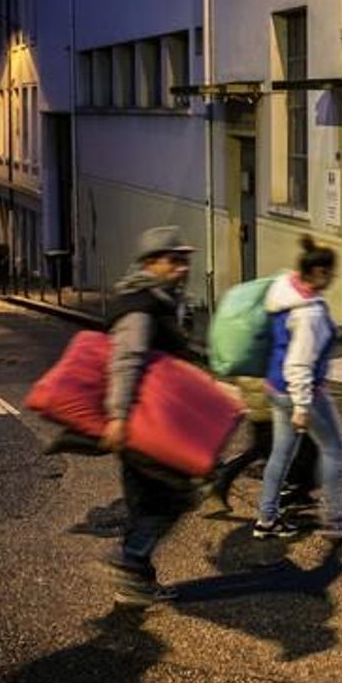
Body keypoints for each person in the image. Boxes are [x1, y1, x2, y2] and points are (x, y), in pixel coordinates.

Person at [253, 236, 342, 540]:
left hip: (275, 385)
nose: (333, 278)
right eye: (331, 273)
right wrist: (302, 406)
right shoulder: (309, 314)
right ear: (319, 273)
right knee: (334, 448)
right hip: (301, 392)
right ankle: (337, 520)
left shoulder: (285, 286)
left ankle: (266, 518)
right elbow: (300, 363)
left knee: (281, 455)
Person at [100, 226, 199, 606]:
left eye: (184, 260)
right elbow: (127, 361)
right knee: (174, 496)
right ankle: (129, 560)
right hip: (144, 425)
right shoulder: (140, 308)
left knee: (148, 501)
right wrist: (119, 416)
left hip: (155, 420)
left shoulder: (161, 300)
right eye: (173, 261)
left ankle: (136, 581)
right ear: (149, 264)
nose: (181, 268)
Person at [204, 374, 319, 515]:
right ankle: (221, 483)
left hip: (262, 397)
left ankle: (297, 493)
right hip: (271, 399)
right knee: (307, 449)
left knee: (267, 448)